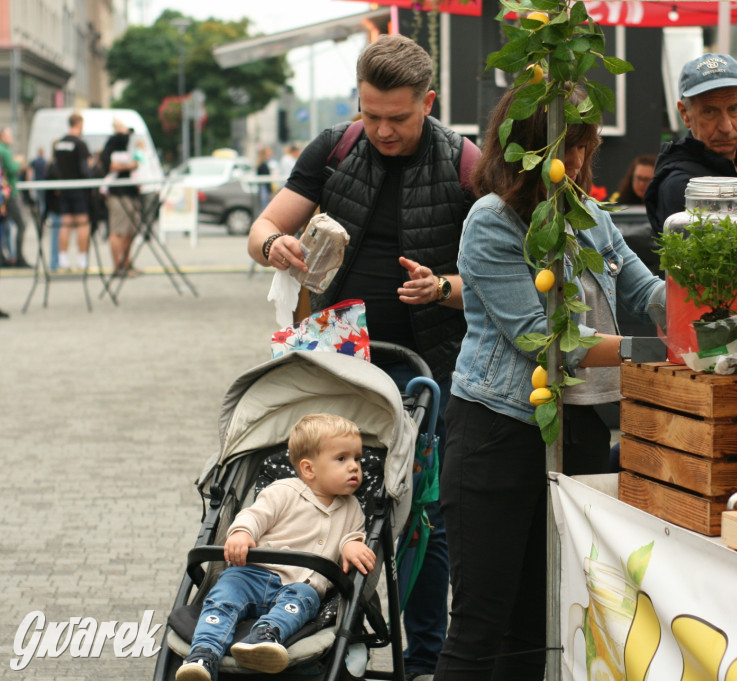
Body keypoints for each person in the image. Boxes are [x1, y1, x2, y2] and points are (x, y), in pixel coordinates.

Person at [247, 34, 478, 681]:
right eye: (369, 113)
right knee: (311, 498)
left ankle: (426, 658)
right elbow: (261, 227)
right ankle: (322, 638)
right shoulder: (336, 147)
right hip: (334, 356)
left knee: (421, 513)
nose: (380, 129)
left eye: (397, 118)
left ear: (427, 103)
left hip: (425, 365)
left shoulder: (464, 161)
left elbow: (499, 271)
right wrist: (275, 248)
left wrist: (444, 288)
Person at [434, 83, 665, 681]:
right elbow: (544, 340)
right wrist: (652, 349)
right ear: (526, 150)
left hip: (578, 431)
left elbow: (647, 292)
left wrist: (712, 291)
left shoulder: (588, 214)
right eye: (572, 147)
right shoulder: (492, 222)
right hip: (498, 431)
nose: (583, 162)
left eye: (586, 147)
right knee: (483, 623)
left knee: (542, 622)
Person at [176, 414, 376, 681]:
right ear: (308, 469)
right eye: (342, 459)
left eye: (357, 459)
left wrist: (352, 546)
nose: (354, 467)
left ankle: (264, 636)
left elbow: (353, 535)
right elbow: (255, 516)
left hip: (299, 587)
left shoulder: (353, 509)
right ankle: (203, 654)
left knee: (305, 597)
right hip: (254, 575)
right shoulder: (282, 491)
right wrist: (242, 533)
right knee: (225, 592)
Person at [644, 53, 737, 234]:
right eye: (710, 112)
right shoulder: (683, 187)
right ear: (685, 114)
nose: (726, 126)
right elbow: (729, 261)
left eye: (734, 109)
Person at [53, 112, 93, 271]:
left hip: (63, 187)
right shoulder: (80, 143)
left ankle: (63, 260)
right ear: (79, 123)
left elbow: (55, 166)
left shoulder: (59, 143)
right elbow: (87, 166)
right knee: (83, 223)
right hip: (78, 187)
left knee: (65, 224)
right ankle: (82, 260)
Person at [100, 119, 140, 274]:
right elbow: (109, 165)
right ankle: (118, 266)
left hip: (130, 192)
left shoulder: (127, 144)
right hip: (117, 193)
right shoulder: (112, 143)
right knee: (117, 230)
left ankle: (126, 262)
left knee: (130, 230)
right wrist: (131, 165)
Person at [0, 127, 27, 267]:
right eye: (9, 135)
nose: (12, 138)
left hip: (6, 193)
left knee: (5, 226)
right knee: (21, 224)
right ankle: (18, 257)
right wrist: (19, 161)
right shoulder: (3, 151)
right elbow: (12, 169)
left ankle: (8, 256)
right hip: (8, 193)